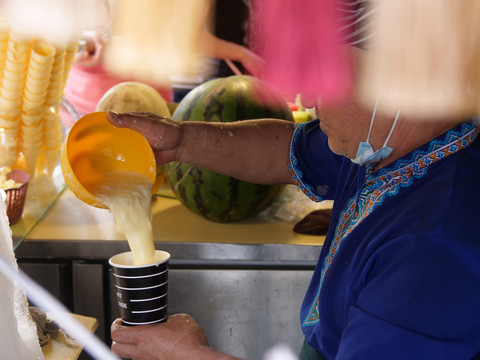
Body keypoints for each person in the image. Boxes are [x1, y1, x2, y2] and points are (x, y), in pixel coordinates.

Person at [106, 42, 480, 359]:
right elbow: (285, 151)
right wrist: (181, 140)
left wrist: (192, 355)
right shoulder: (391, 146)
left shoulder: (432, 252)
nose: (310, 99)